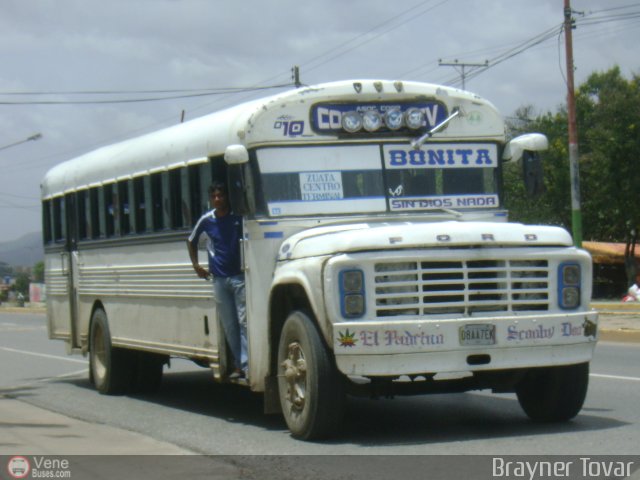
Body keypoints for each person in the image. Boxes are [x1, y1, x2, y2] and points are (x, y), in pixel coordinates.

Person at [187, 182, 247, 379]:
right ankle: (238, 364)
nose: (218, 199)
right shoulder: (207, 220)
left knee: (244, 321)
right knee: (230, 324)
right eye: (215, 196)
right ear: (211, 199)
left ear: (227, 197)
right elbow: (191, 240)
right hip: (219, 279)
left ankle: (246, 364)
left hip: (239, 277)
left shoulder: (238, 217)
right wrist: (197, 266)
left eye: (221, 195)